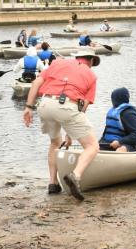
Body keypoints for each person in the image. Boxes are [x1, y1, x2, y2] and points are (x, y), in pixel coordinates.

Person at [23, 50, 101, 200]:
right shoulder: (91, 76)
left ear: (77, 57)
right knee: (92, 146)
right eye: (93, 63)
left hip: (44, 104)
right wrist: (70, 135)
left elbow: (36, 82)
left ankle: (53, 183)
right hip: (67, 106)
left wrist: (28, 107)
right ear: (90, 61)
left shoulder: (57, 63)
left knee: (54, 143)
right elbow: (82, 107)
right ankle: (75, 175)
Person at [99, 87, 136, 153]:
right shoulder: (113, 112)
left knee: (121, 150)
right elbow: (106, 132)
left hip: (129, 144)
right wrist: (99, 142)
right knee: (93, 147)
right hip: (109, 143)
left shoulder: (129, 113)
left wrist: (120, 142)